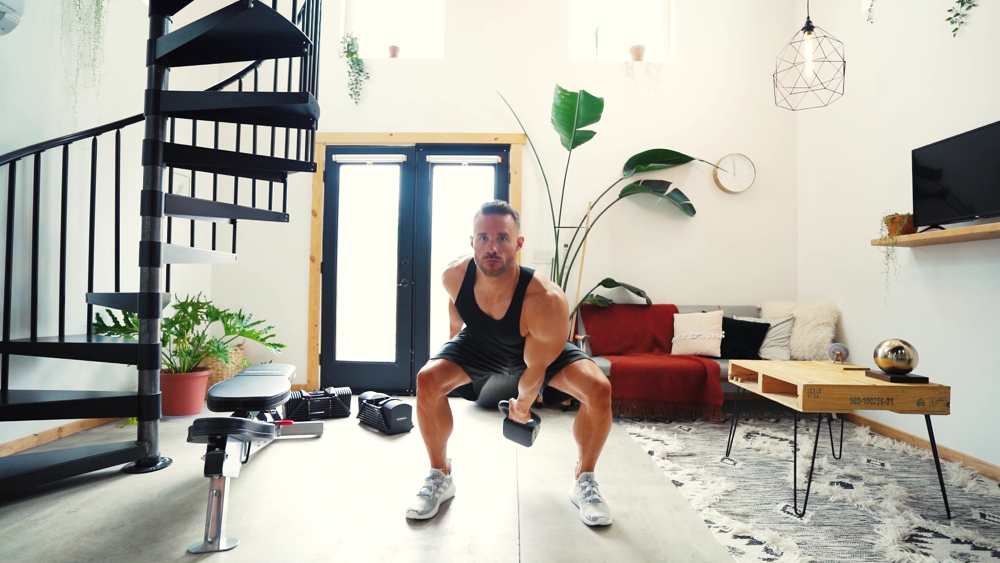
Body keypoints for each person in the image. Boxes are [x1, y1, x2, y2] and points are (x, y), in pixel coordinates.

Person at [405, 200, 614, 526]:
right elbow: (456, 303)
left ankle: (584, 480)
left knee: (598, 389)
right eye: (483, 238)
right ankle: (439, 476)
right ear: (471, 241)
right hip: (481, 344)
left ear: (518, 244)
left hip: (538, 353)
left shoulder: (544, 300)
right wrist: (451, 338)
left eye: (502, 238)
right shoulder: (453, 275)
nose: (492, 247)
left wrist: (524, 404)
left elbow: (534, 368)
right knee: (428, 379)